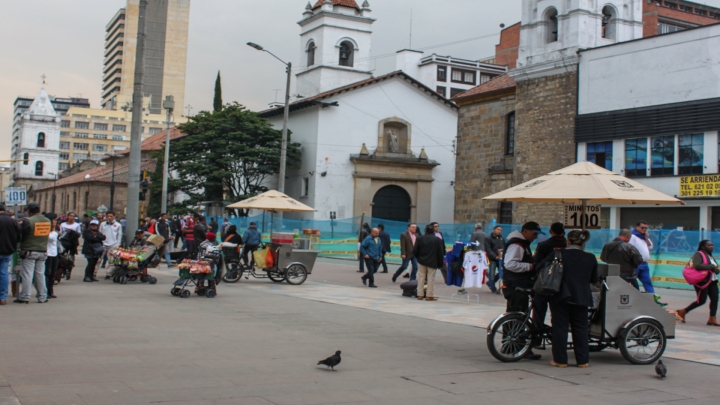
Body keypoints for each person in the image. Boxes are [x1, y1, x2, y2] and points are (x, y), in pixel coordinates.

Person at [545, 230, 599, 368]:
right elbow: (594, 279)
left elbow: (542, 268)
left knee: (560, 327)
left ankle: (560, 360)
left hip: (561, 296)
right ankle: (582, 360)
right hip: (582, 297)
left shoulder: (558, 254)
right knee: (581, 328)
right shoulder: (590, 257)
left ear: (568, 241)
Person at [501, 221, 544, 360]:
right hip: (516, 285)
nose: (535, 237)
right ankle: (515, 346)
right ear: (525, 231)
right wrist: (531, 266)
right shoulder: (517, 245)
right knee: (518, 315)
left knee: (516, 315)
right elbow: (510, 264)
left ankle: (513, 346)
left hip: (517, 284)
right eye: (534, 233)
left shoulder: (521, 243)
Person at [531, 222, 567, 333]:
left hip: (544, 282)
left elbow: (537, 264)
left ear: (551, 231)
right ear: (563, 232)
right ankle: (557, 336)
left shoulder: (543, 245)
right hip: (562, 284)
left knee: (538, 311)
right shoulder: (567, 245)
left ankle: (537, 337)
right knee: (558, 314)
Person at [674, 240, 720, 326]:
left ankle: (712, 319)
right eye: (709, 245)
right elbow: (697, 265)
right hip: (702, 281)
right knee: (701, 301)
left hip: (712, 280)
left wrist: (716, 270)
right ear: (703, 247)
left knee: (715, 299)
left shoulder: (710, 256)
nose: (711, 246)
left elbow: (715, 269)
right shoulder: (699, 254)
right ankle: (683, 312)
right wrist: (711, 267)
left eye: (712, 245)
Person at [17, 202, 51, 304]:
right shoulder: (47, 220)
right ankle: (42, 296)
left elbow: (22, 236)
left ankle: (25, 296)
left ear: (29, 211)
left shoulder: (28, 221)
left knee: (27, 275)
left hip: (29, 251)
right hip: (43, 251)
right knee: (40, 274)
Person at [413, 224, 446, 301]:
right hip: (433, 261)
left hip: (421, 261)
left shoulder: (420, 238)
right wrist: (440, 263)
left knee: (421, 278)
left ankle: (420, 294)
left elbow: (414, 250)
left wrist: (418, 258)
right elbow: (440, 253)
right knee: (431, 278)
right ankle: (429, 295)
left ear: (425, 230)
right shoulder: (437, 239)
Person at [0, 204, 20, 306]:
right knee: (4, 274)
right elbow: (19, 236)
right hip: (7, 251)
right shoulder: (13, 221)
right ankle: (2, 298)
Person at [629, 221, 654, 293]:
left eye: (645, 228)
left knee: (647, 281)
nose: (644, 229)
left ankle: (652, 298)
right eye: (642, 228)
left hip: (644, 264)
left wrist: (646, 238)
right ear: (637, 227)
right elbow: (629, 248)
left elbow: (650, 246)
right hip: (636, 264)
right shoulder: (633, 236)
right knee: (633, 282)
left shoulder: (643, 237)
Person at [98, 212, 123, 278]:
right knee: (98, 259)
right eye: (108, 216)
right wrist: (100, 242)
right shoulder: (103, 224)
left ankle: (108, 273)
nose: (109, 217)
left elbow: (119, 235)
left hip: (113, 245)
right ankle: (94, 273)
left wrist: (118, 244)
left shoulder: (118, 225)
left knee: (111, 260)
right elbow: (100, 233)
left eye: (111, 216)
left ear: (114, 216)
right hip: (103, 244)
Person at [44, 214, 60, 299]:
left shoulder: (55, 230)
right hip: (47, 253)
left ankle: (50, 291)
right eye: (53, 220)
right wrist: (54, 231)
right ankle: (45, 291)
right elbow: (50, 238)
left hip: (54, 253)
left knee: (53, 273)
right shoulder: (47, 230)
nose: (55, 222)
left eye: (55, 220)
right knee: (47, 273)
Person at [486, 226, 505, 294]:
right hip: (493, 259)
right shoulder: (489, 238)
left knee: (502, 272)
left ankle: (490, 283)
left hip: (501, 259)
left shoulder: (502, 238)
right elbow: (488, 249)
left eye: (500, 230)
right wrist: (495, 256)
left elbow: (504, 247)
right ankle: (493, 288)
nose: (499, 231)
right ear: (494, 230)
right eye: (498, 229)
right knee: (492, 274)